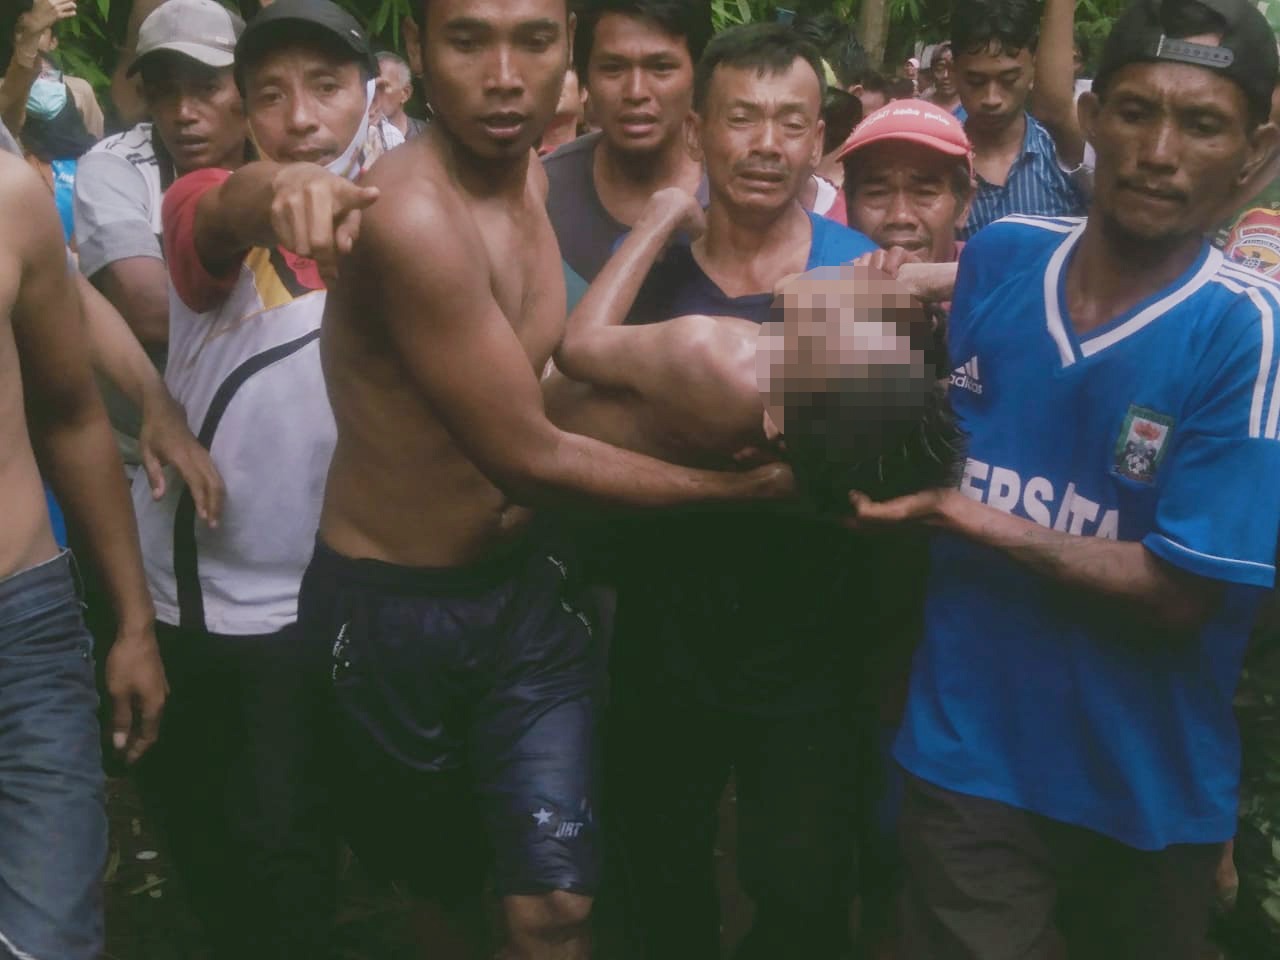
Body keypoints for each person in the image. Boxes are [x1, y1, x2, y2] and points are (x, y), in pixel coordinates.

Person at [302, 1, 793, 957]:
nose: (503, 76)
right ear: (417, 47)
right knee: (444, 890)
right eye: (467, 40)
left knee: (556, 905)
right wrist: (737, 492)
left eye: (531, 41)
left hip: (526, 588)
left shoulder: (528, 175)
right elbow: (526, 452)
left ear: (564, 44)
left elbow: (561, 370)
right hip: (397, 604)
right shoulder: (412, 215)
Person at [843, 1, 1280, 958]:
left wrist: (965, 516)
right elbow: (912, 402)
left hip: (1146, 792)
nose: (1157, 152)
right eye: (1134, 111)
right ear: (1090, 117)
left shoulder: (1247, 330)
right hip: (968, 756)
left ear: (1253, 150)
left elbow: (1182, 592)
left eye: (1201, 124)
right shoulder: (1003, 255)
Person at [599, 24, 886, 960]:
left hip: (814, 638)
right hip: (663, 625)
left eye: (790, 123)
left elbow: (889, 468)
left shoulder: (860, 271)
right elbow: (566, 408)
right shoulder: (646, 277)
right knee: (657, 869)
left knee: (803, 885)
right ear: (697, 133)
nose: (767, 145)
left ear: (818, 140)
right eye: (742, 119)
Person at [130, 0, 382, 955]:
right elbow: (229, 211)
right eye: (272, 94)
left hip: (346, 583)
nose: (302, 116)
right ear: (246, 109)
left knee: (317, 835)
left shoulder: (410, 207)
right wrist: (284, 187)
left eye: (326, 87)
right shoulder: (202, 198)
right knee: (242, 846)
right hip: (216, 598)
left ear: (373, 93)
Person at [0, 136, 166, 960]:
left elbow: (69, 414)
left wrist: (133, 621)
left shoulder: (9, 198)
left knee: (48, 939)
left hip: (20, 640)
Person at [74, 0, 248, 484]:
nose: (184, 113)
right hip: (149, 462)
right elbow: (147, 308)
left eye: (207, 87)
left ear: (248, 86)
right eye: (165, 91)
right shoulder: (114, 165)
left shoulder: (284, 153)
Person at [545, 0, 711, 305]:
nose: (636, 92)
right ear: (585, 78)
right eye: (613, 68)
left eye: (661, 67)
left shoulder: (741, 189)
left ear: (698, 75)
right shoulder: (542, 192)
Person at [953, 0, 1087, 238]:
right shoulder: (938, 162)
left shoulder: (1062, 153)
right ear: (954, 74)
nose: (992, 98)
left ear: (1034, 69)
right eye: (976, 82)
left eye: (1008, 80)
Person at [840, 99, 972, 272]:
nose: (900, 217)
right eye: (877, 193)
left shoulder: (996, 280)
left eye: (924, 193)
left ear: (964, 206)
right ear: (848, 205)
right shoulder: (825, 277)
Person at [375, 50, 426, 140]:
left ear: (405, 93)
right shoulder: (357, 137)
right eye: (370, 86)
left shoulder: (426, 137)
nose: (373, 93)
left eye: (381, 87)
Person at [540, 65, 586, 155]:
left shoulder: (600, 156)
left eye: (564, 69)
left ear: (583, 92)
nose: (553, 79)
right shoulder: (516, 157)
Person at [925, 41, 964, 119]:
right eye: (939, 69)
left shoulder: (971, 108)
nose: (946, 75)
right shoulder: (924, 105)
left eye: (953, 69)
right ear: (932, 71)